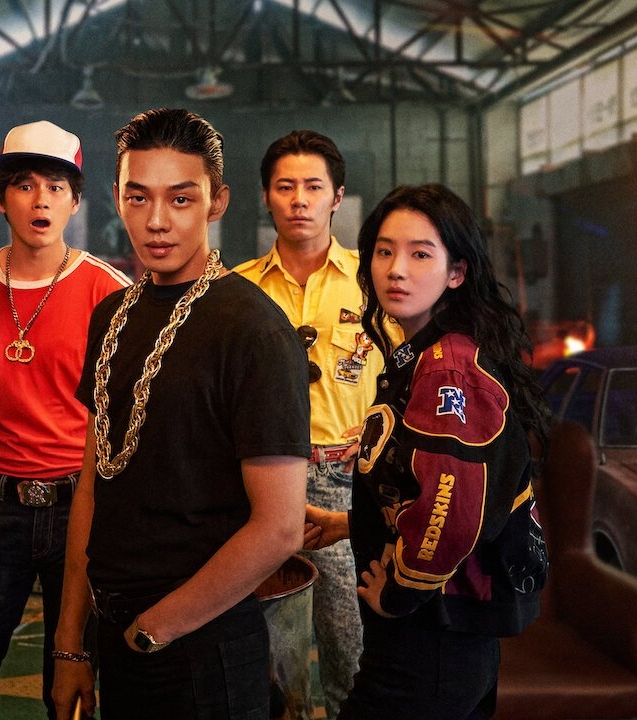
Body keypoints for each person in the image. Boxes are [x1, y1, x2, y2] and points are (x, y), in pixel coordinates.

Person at [51, 107, 311, 720]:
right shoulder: (110, 317)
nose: (157, 221)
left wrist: (157, 629)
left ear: (217, 202)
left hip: (203, 644)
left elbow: (279, 527)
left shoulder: (254, 329)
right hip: (117, 635)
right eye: (138, 197)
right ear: (117, 198)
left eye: (181, 198)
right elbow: (93, 484)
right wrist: (69, 642)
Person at [306, 184, 551, 719]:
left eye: (420, 254)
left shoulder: (447, 369)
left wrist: (400, 590)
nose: (397, 270)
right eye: (384, 251)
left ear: (456, 272)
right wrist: (350, 524)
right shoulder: (429, 353)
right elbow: (436, 486)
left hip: (430, 640)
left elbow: (454, 509)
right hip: (447, 638)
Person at [0, 120, 129, 719]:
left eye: (56, 187)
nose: (41, 200)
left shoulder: (109, 290)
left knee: (73, 689)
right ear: (1, 199)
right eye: (24, 185)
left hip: (81, 508)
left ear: (74, 201)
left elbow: (123, 416)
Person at [235, 130, 385, 719]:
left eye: (313, 187)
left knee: (352, 645)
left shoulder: (374, 283)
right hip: (257, 481)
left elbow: (407, 377)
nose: (299, 199)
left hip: (345, 481)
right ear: (266, 197)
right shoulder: (238, 290)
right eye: (285, 186)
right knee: (271, 645)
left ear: (337, 197)